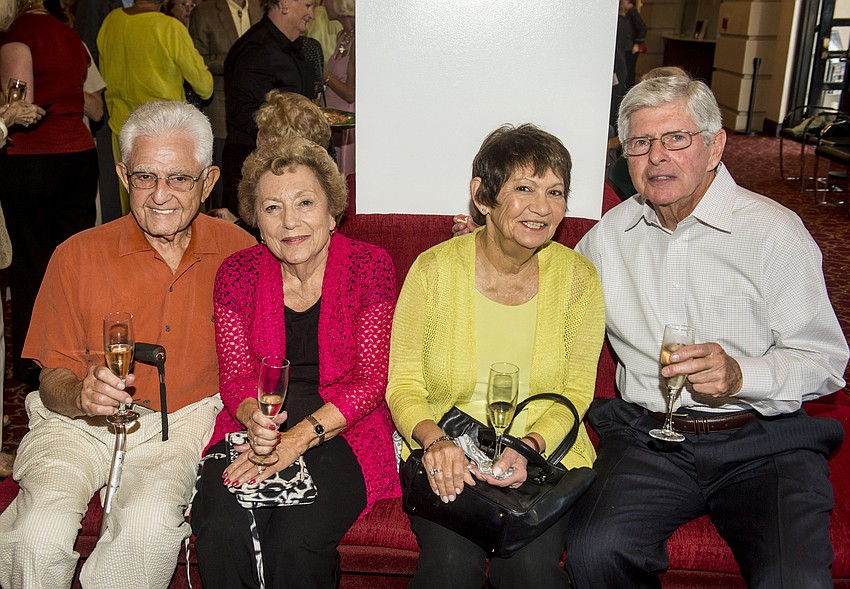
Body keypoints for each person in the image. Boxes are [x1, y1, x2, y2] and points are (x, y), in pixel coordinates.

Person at [566, 73, 849, 588]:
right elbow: (549, 291)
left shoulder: (774, 233)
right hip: (648, 437)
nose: (657, 157)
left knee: (794, 579)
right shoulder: (609, 238)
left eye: (676, 138)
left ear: (715, 146)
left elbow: (826, 362)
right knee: (594, 551)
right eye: (640, 143)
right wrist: (491, 243)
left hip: (764, 440)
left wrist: (742, 374)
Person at [0, 100, 256, 589]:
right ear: (122, 175)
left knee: (147, 532)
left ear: (207, 181)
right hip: (74, 424)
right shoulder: (75, 255)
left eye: (179, 178)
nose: (160, 195)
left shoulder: (241, 256)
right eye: (144, 177)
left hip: (181, 421)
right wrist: (79, 395)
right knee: (35, 534)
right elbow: (51, 376)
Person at [386, 124, 605, 589]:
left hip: (542, 458)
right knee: (447, 570)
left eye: (555, 192)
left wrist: (529, 448)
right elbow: (403, 384)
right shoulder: (433, 270)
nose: (542, 207)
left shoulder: (578, 279)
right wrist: (433, 442)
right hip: (449, 454)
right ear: (483, 196)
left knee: (530, 573)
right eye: (523, 189)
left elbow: (576, 391)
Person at [192, 137, 400, 588]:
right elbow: (236, 377)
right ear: (256, 219)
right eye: (272, 208)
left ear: (332, 211)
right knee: (220, 527)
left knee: (296, 538)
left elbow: (370, 381)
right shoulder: (236, 274)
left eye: (305, 202)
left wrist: (296, 441)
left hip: (346, 429)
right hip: (254, 426)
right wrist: (257, 424)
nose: (290, 222)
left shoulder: (369, 266)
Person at [0, 0, 99, 387]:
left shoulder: (17, 36)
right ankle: (77, 355)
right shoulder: (71, 35)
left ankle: (33, 365)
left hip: (33, 160)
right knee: (74, 265)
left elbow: (17, 104)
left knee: (31, 267)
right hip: (78, 157)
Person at [97, 0, 213, 214]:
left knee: (136, 204)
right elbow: (205, 86)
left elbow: (103, 75)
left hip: (123, 129)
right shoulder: (170, 28)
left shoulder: (111, 22)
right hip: (168, 132)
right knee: (181, 203)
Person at [222, 0, 320, 217]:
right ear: (285, 3)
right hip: (255, 166)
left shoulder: (296, 47)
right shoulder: (254, 49)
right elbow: (243, 111)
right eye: (308, 5)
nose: (312, 14)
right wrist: (293, 126)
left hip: (288, 162)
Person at [189, 0, 262, 210]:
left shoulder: (260, 7)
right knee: (221, 186)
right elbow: (197, 60)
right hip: (219, 108)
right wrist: (236, 60)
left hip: (257, 112)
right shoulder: (204, 11)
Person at [323, 0, 354, 178]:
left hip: (347, 121)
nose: (323, 4)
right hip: (335, 121)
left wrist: (324, 73)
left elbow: (351, 93)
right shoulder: (342, 35)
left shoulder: (359, 40)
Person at [611, 0, 646, 128]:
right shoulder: (620, 17)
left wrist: (637, 43)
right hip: (621, 54)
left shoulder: (629, 15)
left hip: (626, 53)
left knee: (626, 79)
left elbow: (642, 28)